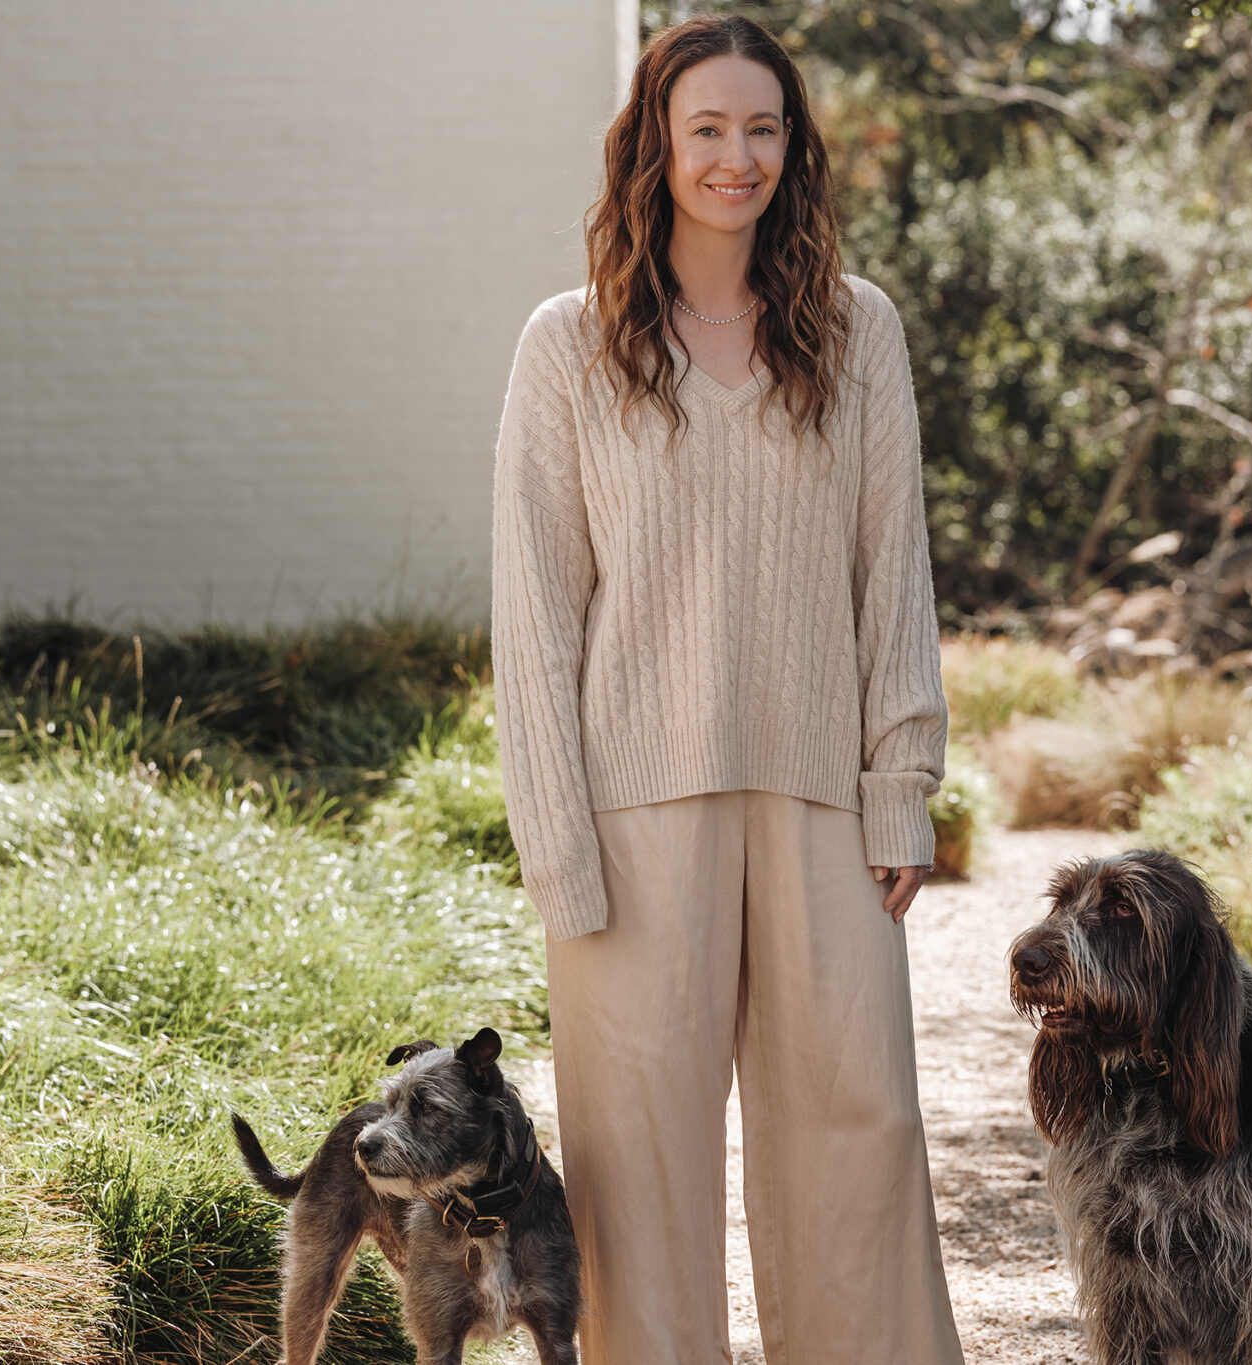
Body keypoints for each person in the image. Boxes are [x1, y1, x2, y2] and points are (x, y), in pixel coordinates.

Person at [486, 13, 964, 1365]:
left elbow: (895, 576)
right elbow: (534, 620)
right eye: (707, 129)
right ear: (655, 146)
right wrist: (561, 851)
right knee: (637, 1170)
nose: (736, 157)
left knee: (861, 1134)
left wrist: (901, 790)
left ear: (793, 151)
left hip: (821, 800)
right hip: (633, 821)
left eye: (763, 129)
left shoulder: (857, 333)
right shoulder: (566, 348)